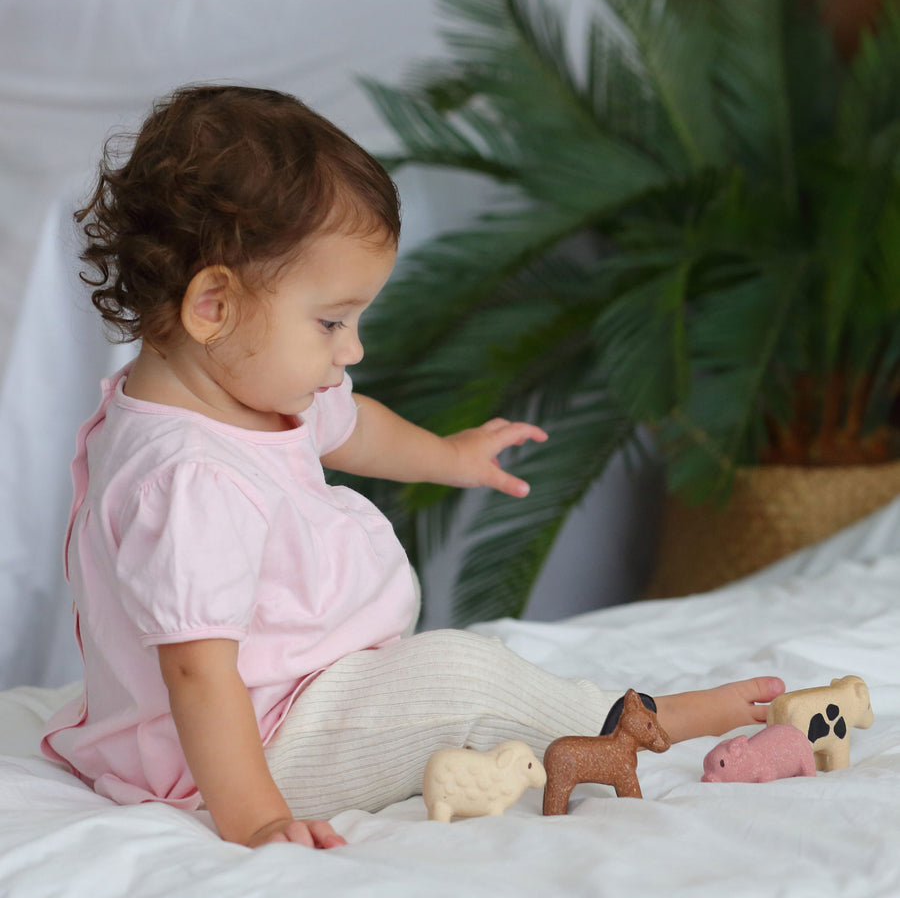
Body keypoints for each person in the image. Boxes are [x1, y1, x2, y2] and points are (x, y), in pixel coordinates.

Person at [41, 84, 784, 850]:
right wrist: (257, 818)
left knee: (446, 681)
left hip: (290, 700)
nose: (352, 350)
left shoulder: (244, 393)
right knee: (462, 682)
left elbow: (351, 423)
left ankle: (604, 712)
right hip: (243, 751)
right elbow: (199, 674)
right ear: (212, 307)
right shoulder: (191, 478)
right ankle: (646, 722)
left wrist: (448, 457)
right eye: (332, 322)